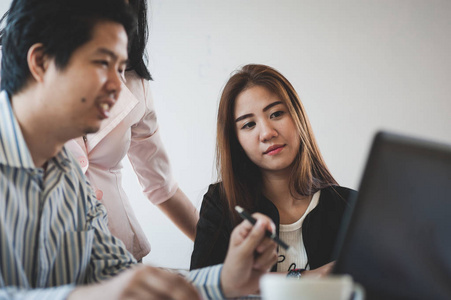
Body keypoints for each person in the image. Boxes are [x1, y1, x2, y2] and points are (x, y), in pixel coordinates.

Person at [0, 1, 277, 299]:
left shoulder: (69, 179)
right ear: (40, 62)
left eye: (121, 69)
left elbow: (120, 276)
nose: (119, 88)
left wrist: (225, 280)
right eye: (102, 63)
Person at [191, 64, 357, 278]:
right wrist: (304, 278)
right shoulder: (220, 204)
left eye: (276, 113)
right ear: (236, 140)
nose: (267, 133)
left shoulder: (350, 205)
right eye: (249, 125)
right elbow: (199, 289)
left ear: (298, 118)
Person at [64, 0, 199, 261]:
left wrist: (222, 248)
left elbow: (162, 186)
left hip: (117, 247)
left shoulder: (134, 82)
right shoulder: (20, 75)